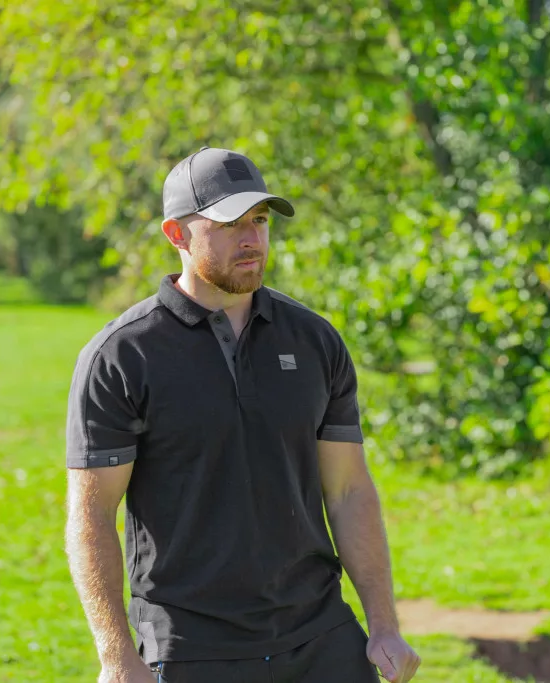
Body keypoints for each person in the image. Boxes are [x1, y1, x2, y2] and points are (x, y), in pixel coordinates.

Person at [64, 147, 421, 683]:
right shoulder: (122, 356)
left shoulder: (315, 340)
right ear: (176, 234)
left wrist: (384, 625)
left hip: (320, 638)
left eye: (260, 220)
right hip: (191, 649)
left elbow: (349, 490)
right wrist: (116, 656)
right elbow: (92, 515)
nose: (252, 238)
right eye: (230, 224)